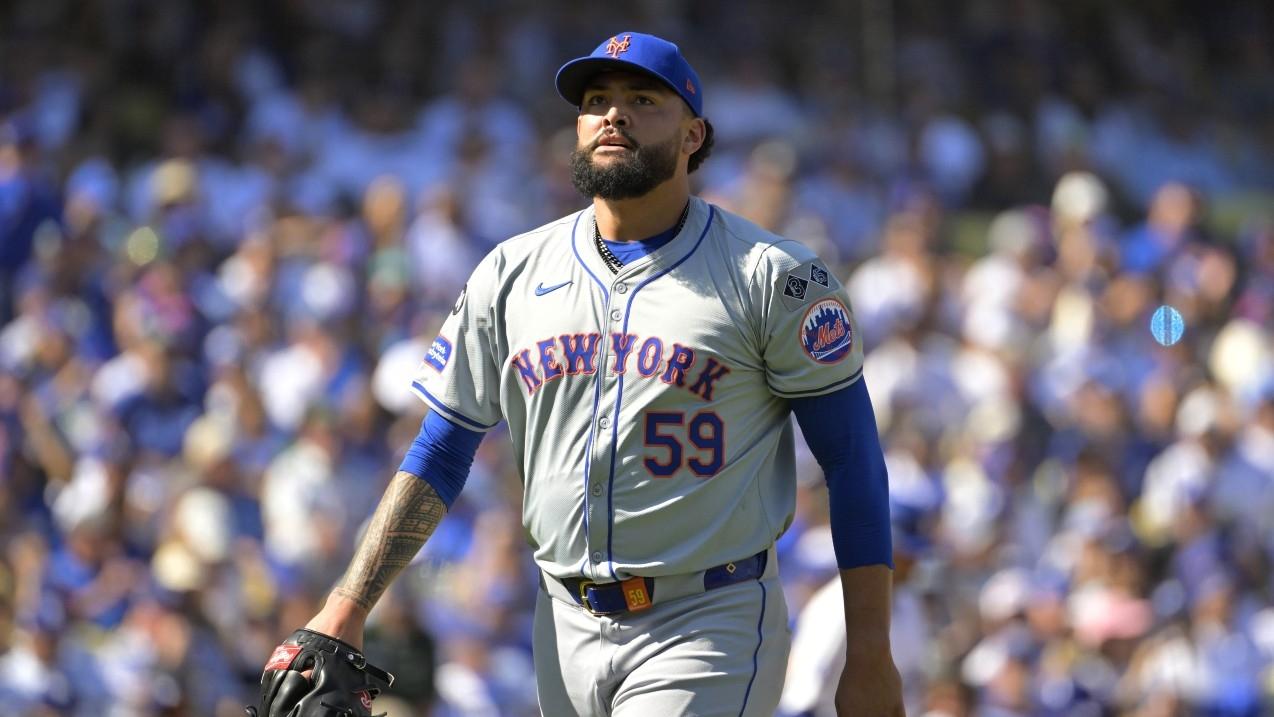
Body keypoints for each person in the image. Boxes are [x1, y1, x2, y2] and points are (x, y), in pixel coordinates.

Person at [294, 32, 903, 716]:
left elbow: (853, 463)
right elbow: (441, 449)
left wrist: (871, 651)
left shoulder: (774, 276)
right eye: (595, 101)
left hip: (707, 617)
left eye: (642, 100)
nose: (613, 114)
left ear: (693, 135)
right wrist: (345, 604)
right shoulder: (512, 272)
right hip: (561, 621)